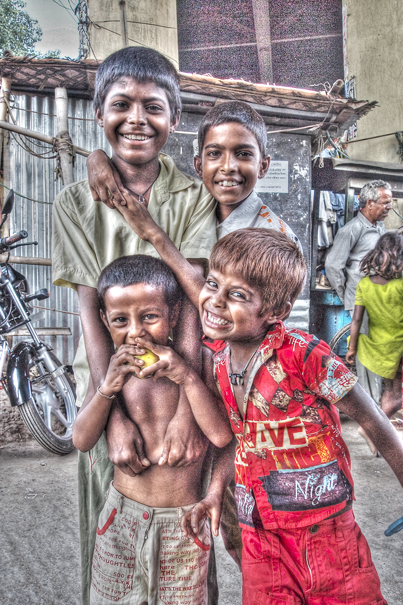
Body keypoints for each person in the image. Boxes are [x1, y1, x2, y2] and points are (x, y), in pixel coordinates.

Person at [136, 228, 403, 604]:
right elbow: (241, 440)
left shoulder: (304, 355)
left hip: (326, 533)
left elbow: (373, 418)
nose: (214, 301)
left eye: (238, 295)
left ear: (275, 312)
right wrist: (214, 493)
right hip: (259, 535)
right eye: (213, 284)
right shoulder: (221, 363)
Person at [52, 46, 223, 605]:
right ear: (98, 112)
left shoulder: (194, 196)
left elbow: (195, 306)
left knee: (187, 543)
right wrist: (114, 415)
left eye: (154, 108)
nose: (137, 120)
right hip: (109, 392)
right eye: (121, 104)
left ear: (174, 120)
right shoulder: (75, 202)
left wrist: (185, 412)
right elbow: (88, 311)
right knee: (108, 534)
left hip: (181, 389)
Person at [73, 255, 235, 605]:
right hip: (120, 520)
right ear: (104, 320)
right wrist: (106, 388)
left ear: (173, 314)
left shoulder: (199, 365)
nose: (136, 331)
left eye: (149, 316)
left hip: (183, 524)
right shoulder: (113, 375)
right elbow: (82, 439)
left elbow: (223, 437)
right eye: (120, 320)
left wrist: (184, 375)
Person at [88, 100, 301, 248]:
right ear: (199, 165)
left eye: (243, 154)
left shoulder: (275, 237)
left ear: (263, 166)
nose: (228, 166)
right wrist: (96, 158)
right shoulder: (189, 207)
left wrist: (154, 234)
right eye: (215, 153)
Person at [325, 179, 393, 405]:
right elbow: (333, 265)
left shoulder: (379, 228)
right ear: (370, 203)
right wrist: (349, 295)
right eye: (385, 202)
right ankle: (372, 407)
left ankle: (380, 404)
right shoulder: (351, 230)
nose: (389, 207)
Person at [346, 232, 403, 451]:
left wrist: (352, 348)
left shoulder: (364, 284)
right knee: (396, 400)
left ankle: (376, 435)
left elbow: (357, 319)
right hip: (398, 348)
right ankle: (369, 428)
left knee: (390, 394)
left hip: (379, 348)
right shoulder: (400, 285)